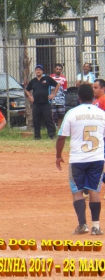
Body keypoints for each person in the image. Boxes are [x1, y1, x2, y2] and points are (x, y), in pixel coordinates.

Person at [56, 84, 105, 235]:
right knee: (94, 190)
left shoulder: (72, 113)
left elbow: (61, 137)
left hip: (78, 158)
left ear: (79, 98)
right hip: (97, 157)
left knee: (77, 191)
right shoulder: (101, 113)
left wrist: (58, 156)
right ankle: (96, 226)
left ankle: (82, 225)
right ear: (93, 97)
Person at [25, 64, 60, 140]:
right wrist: (30, 96)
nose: (38, 71)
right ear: (35, 71)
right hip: (36, 104)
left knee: (48, 119)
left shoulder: (47, 79)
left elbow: (57, 85)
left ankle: (52, 135)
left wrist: (53, 94)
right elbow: (27, 89)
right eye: (37, 70)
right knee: (36, 120)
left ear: (42, 71)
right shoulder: (33, 81)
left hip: (46, 103)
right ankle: (37, 136)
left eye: (39, 70)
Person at [50, 63, 68, 130]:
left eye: (59, 69)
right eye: (57, 69)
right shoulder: (51, 77)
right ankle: (53, 127)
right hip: (52, 99)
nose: (58, 70)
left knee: (60, 114)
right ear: (54, 69)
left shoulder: (64, 78)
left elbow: (65, 89)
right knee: (52, 113)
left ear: (61, 70)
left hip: (61, 99)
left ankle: (59, 128)